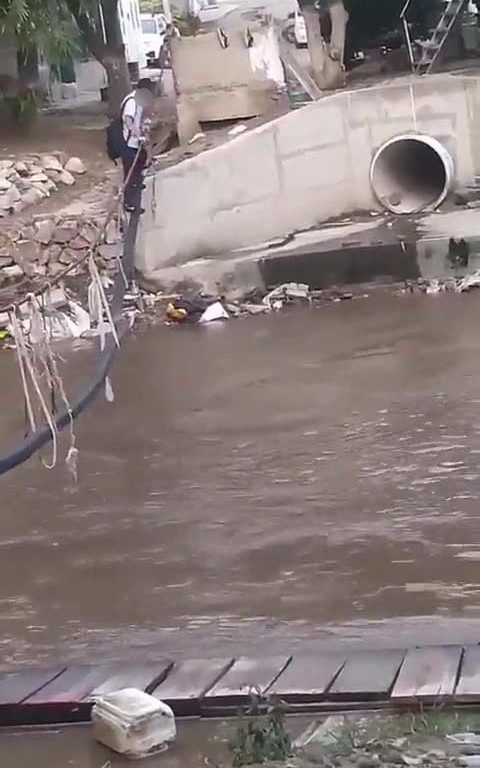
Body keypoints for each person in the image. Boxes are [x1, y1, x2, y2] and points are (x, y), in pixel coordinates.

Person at [121, 78, 155, 212]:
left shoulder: (140, 101)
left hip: (137, 141)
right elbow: (128, 120)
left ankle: (137, 183)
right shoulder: (131, 101)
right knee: (130, 172)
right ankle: (128, 202)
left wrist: (146, 125)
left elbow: (142, 117)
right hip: (128, 142)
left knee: (141, 161)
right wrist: (136, 133)